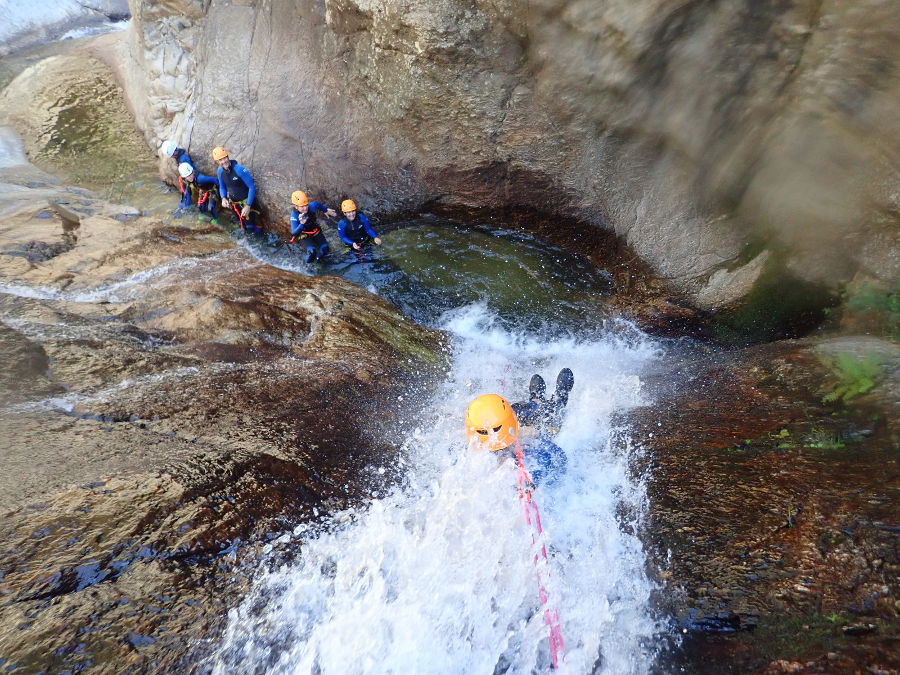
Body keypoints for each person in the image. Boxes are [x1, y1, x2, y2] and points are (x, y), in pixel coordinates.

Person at [465, 368, 574, 486]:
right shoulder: (537, 457)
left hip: (520, 425)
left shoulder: (467, 458)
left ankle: (538, 398)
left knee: (533, 414)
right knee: (548, 417)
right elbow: (561, 460)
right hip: (522, 429)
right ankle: (555, 397)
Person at [213, 146, 261, 234]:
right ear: (217, 162)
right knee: (241, 226)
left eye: (224, 158)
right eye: (220, 160)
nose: (224, 161)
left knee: (250, 230)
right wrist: (223, 198)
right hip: (235, 204)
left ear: (227, 156)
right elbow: (222, 187)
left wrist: (248, 206)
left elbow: (252, 187)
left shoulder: (239, 169)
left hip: (247, 202)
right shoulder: (220, 172)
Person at [289, 190, 337, 263]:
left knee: (325, 250)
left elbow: (317, 204)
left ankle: (319, 260)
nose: (305, 208)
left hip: (315, 231)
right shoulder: (294, 216)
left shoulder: (311, 206)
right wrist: (301, 224)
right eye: (302, 206)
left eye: (306, 205)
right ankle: (306, 266)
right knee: (312, 252)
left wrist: (325, 210)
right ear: (296, 206)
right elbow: (294, 233)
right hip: (304, 235)